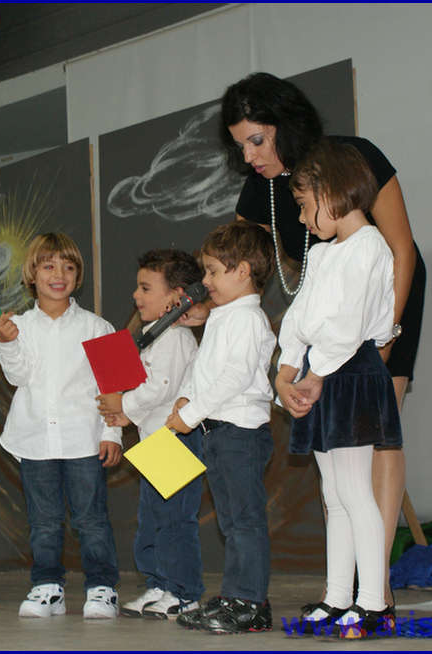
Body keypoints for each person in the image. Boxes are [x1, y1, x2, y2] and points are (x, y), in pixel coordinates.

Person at [221, 71, 426, 609]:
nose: (249, 156)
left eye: (257, 140)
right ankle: (343, 588)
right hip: (330, 321)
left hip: (386, 301)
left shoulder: (349, 160)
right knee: (336, 465)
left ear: (285, 125)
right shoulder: (260, 191)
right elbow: (236, 262)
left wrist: (381, 346)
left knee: (376, 440)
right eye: (240, 145)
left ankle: (375, 587)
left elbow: (401, 249)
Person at [276, 140, 401, 638]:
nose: (302, 219)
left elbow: (349, 325)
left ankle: (374, 603)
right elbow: (299, 318)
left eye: (305, 205)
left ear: (332, 192)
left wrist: (315, 375)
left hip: (348, 373)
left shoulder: (369, 246)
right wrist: (287, 371)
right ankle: (337, 596)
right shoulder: (323, 253)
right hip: (321, 371)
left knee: (354, 490)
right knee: (334, 493)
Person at [0, 232, 123, 620]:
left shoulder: (100, 326)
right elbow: (17, 377)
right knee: (43, 521)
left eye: (68, 267)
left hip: (84, 439)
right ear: (31, 274)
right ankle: (47, 586)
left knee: (92, 520)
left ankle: (102, 588)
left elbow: (114, 387)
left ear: (78, 276)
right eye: (48, 266)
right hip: (34, 440)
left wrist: (112, 432)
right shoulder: (16, 326)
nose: (58, 275)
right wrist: (6, 342)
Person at [165, 221, 276, 635]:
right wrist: (186, 396)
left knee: (244, 521)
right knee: (231, 522)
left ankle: (250, 602)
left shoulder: (248, 319)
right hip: (218, 431)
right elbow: (204, 366)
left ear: (242, 271)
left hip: (240, 432)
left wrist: (192, 412)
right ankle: (236, 596)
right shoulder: (223, 317)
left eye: (212, 271)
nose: (205, 281)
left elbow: (234, 377)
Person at [95, 249, 204, 620]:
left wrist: (123, 406)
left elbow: (161, 386)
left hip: (175, 440)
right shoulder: (151, 334)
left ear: (176, 296)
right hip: (155, 441)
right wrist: (122, 409)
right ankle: (159, 584)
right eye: (137, 287)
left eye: (145, 288)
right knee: (153, 517)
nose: (136, 295)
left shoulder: (174, 336)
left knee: (175, 520)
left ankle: (184, 593)